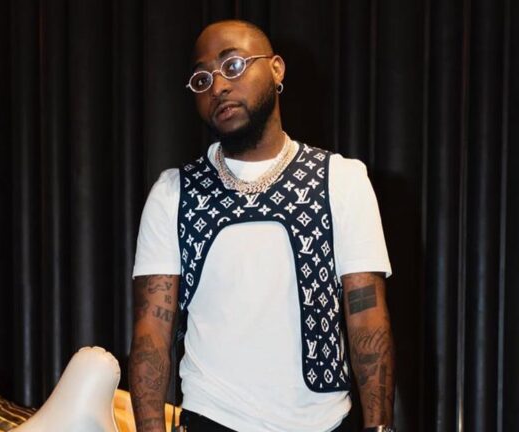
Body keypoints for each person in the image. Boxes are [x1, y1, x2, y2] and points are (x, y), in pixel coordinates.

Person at [129, 19, 395, 432]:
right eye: (202, 79)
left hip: (323, 422)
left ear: (276, 69)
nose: (218, 86)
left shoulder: (342, 180)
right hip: (212, 420)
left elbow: (367, 315)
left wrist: (379, 427)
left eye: (233, 65)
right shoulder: (173, 193)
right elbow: (152, 335)